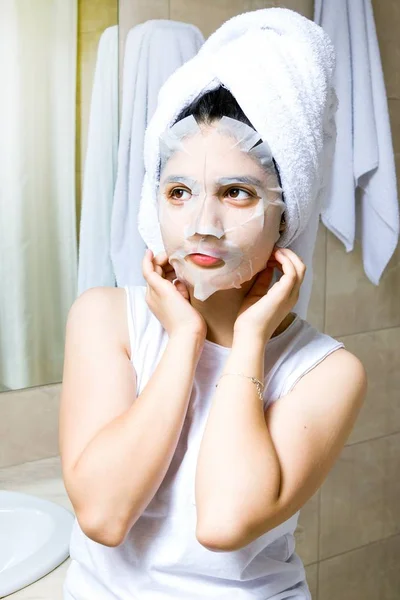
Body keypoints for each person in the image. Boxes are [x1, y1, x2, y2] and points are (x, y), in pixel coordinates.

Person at [60, 86, 366, 599]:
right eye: (179, 192)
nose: (203, 226)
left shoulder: (325, 371)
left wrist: (249, 340)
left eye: (236, 193)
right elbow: (103, 516)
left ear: (285, 216)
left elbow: (224, 523)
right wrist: (185, 339)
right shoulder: (105, 317)